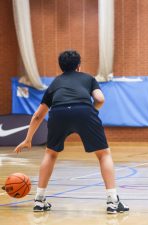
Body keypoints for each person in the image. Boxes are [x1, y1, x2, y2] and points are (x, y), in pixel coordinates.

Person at [14, 50, 129, 214]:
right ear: (79, 66)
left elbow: (39, 114)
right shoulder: (88, 78)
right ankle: (112, 201)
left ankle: (39, 200)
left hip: (58, 112)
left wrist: (28, 139)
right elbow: (100, 99)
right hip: (84, 110)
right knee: (103, 154)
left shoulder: (55, 83)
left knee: (50, 153)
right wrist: (92, 111)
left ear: (61, 67)